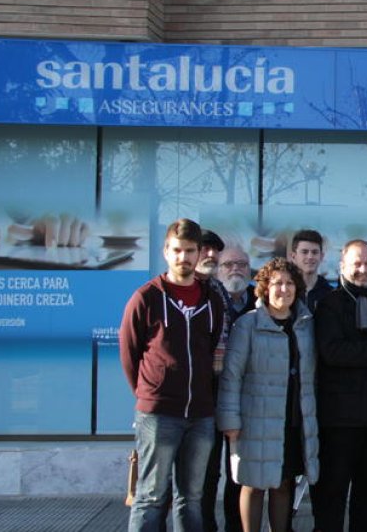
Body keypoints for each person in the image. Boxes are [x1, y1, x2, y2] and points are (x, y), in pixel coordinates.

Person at [119, 218, 226, 532]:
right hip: (159, 414)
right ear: (166, 251)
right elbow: (129, 354)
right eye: (177, 250)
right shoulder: (147, 297)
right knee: (151, 496)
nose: (184, 257)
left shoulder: (211, 301)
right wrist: (150, 394)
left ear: (198, 253)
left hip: (201, 415)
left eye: (190, 251)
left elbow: (209, 349)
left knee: (191, 497)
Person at [217, 257, 318, 532]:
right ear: (264, 288)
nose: (284, 289)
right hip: (255, 421)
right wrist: (230, 420)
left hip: (292, 420)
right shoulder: (247, 324)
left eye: (289, 283)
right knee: (253, 484)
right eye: (276, 283)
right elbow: (232, 375)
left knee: (284, 483)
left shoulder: (306, 325)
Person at [312, 239, 367, 532]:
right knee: (332, 493)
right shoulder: (329, 304)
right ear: (342, 266)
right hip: (340, 419)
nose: (363, 270)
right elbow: (333, 352)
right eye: (357, 264)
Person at [204, 244, 257, 532]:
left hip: (248, 399)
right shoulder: (209, 300)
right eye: (228, 264)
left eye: (242, 264)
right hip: (209, 396)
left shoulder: (260, 302)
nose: (235, 269)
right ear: (217, 270)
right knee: (208, 471)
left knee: (239, 472)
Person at [288, 229, 332, 313]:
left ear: (321, 256)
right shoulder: (286, 291)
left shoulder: (331, 294)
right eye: (304, 252)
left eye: (315, 252)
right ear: (293, 257)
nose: (310, 257)